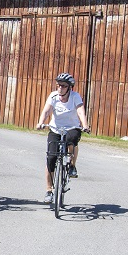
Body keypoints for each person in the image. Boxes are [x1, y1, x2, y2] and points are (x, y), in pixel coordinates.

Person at [36, 72, 89, 203]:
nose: (60, 88)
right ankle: (49, 190)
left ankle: (72, 165)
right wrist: (41, 122)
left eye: (63, 86)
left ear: (70, 87)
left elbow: (80, 110)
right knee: (51, 158)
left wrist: (85, 125)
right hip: (56, 128)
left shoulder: (75, 97)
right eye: (58, 85)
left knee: (72, 140)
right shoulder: (53, 96)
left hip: (72, 127)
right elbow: (47, 110)